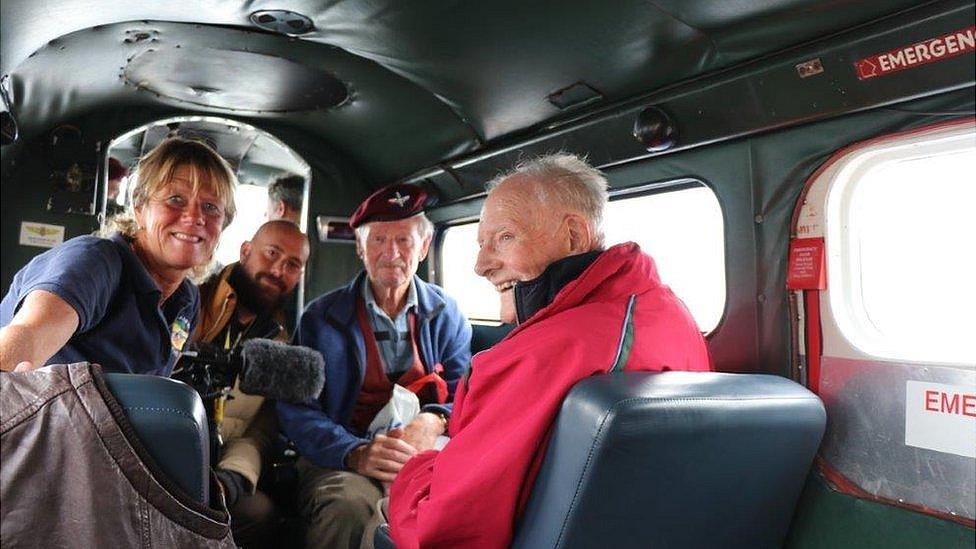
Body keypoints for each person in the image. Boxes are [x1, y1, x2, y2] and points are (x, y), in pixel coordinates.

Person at [386, 154, 712, 549]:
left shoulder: (542, 354)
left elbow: (442, 530)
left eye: (504, 237)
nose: (480, 265)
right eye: (481, 243)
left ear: (573, 236)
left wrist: (414, 468)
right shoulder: (670, 314)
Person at [277, 183, 472, 549]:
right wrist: (354, 452)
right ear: (360, 248)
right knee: (350, 506)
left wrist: (433, 420)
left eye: (403, 240)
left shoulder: (448, 315)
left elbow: (466, 391)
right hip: (337, 456)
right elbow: (295, 409)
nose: (391, 253)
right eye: (378, 239)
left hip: (422, 454)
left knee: (450, 507)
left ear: (425, 246)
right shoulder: (319, 317)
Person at [0, 137, 237, 374]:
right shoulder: (94, 262)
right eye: (175, 200)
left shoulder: (187, 300)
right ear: (139, 208)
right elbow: (27, 335)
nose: (195, 217)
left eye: (210, 207)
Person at [185, 219, 310, 548]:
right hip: (162, 454)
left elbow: (260, 431)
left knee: (260, 514)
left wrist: (232, 479)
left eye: (292, 265)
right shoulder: (190, 296)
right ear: (245, 251)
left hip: (217, 470)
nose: (278, 270)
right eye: (272, 254)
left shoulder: (279, 345)